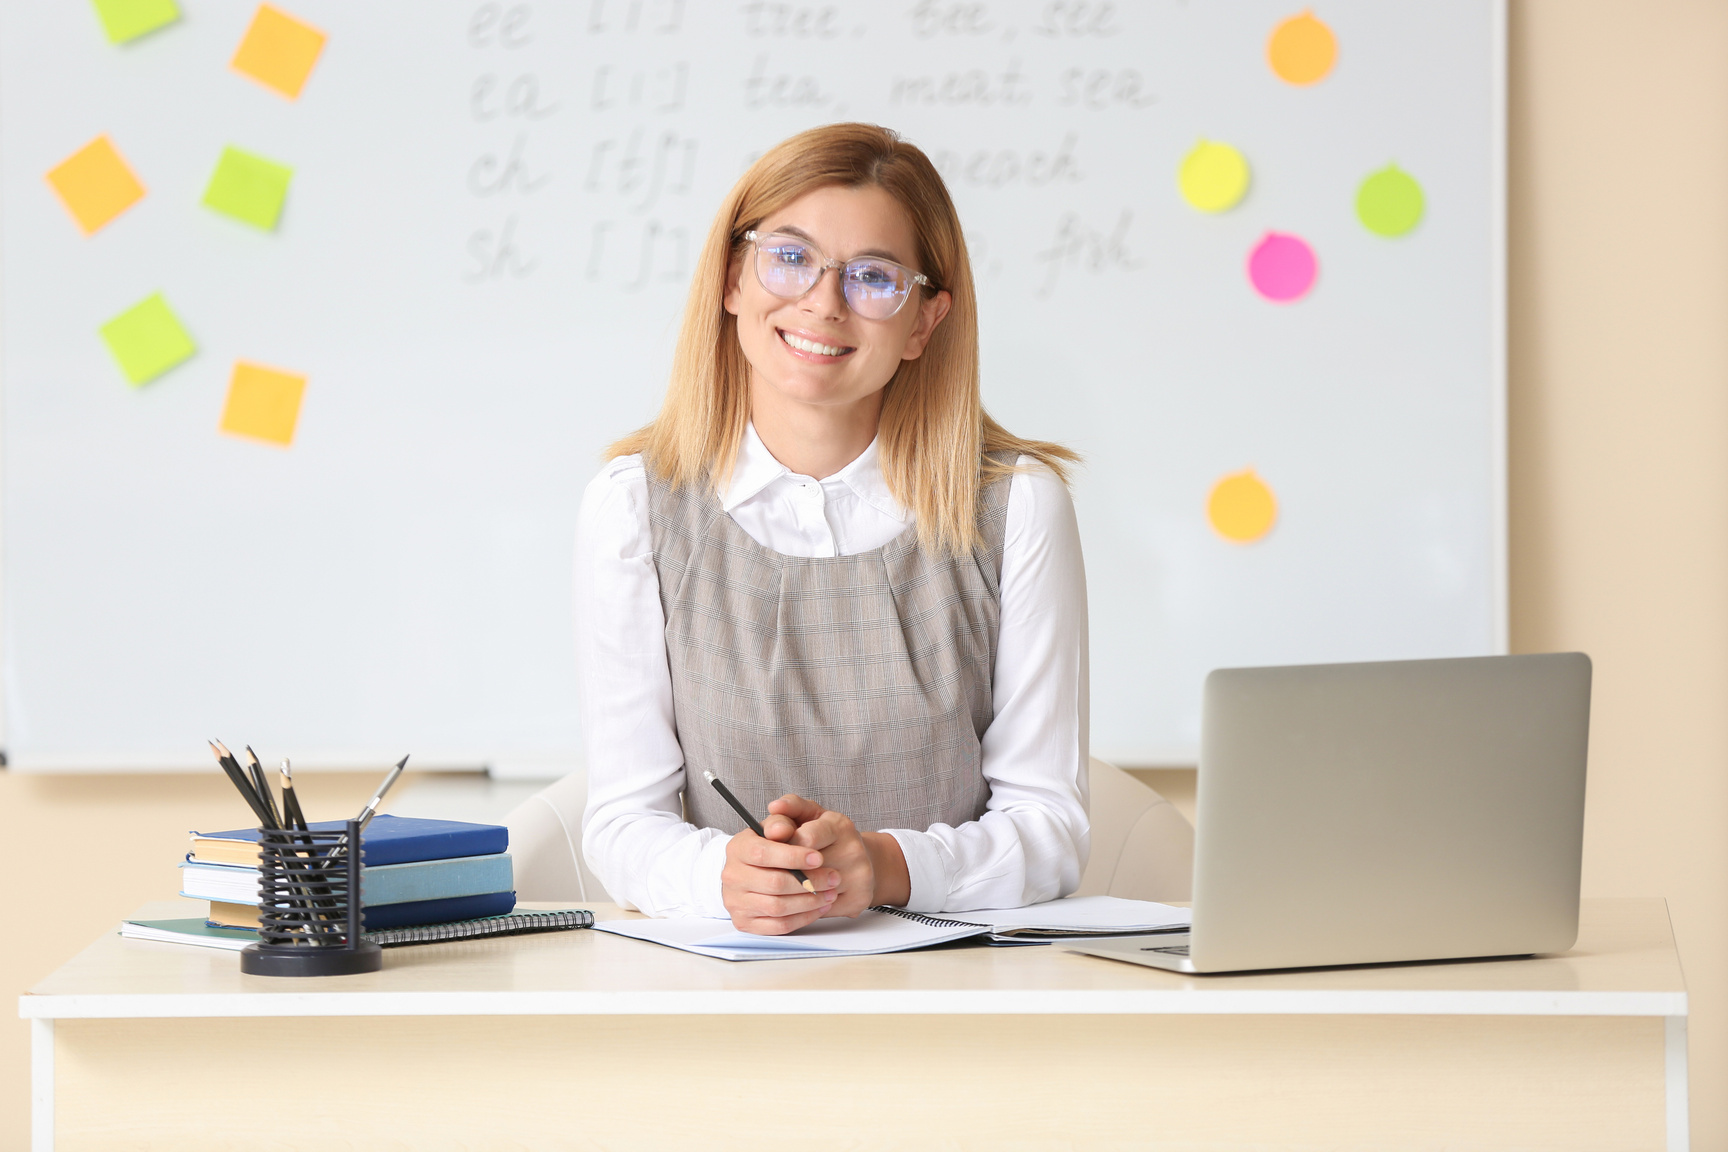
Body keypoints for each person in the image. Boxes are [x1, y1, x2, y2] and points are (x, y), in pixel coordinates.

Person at [575, 122, 1089, 935]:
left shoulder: (1017, 506)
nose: (822, 301)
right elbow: (621, 823)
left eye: (873, 277)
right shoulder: (634, 505)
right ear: (732, 279)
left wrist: (884, 867)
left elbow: (1052, 829)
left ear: (923, 322)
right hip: (723, 984)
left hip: (957, 991)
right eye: (790, 257)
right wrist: (720, 875)